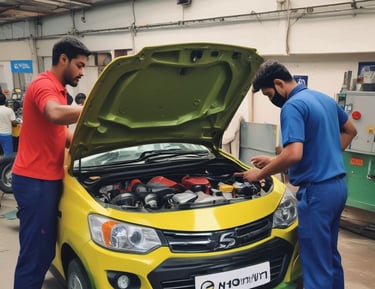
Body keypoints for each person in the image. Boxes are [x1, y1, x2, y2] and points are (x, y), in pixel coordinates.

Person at [235, 60, 357, 289]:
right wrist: (277, 160)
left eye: (269, 94)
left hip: (317, 193)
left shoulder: (293, 106)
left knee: (315, 264)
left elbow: (293, 154)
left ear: (279, 83)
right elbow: (351, 130)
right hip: (337, 188)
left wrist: (259, 173)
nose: (271, 100)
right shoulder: (322, 99)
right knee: (329, 256)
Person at [11, 36, 91, 289]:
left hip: (47, 180)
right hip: (36, 181)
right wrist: (96, 108)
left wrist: (95, 145)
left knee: (44, 252)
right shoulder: (43, 85)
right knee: (34, 256)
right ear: (63, 59)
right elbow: (54, 114)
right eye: (79, 66)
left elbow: (64, 135)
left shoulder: (59, 91)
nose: (81, 72)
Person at [0, 92, 18, 156]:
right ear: (5, 101)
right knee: (8, 155)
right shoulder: (9, 110)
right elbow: (14, 123)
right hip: (6, 134)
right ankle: (7, 166)